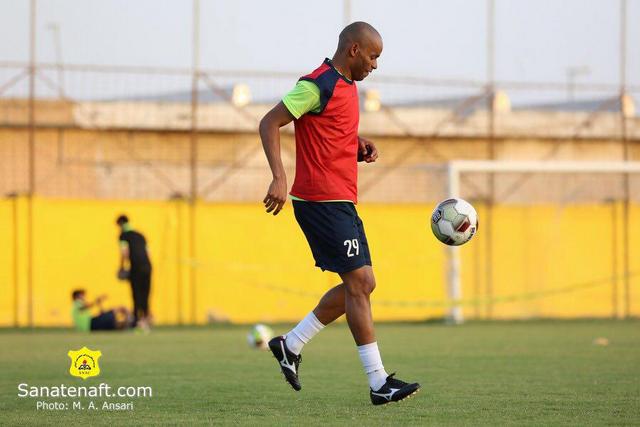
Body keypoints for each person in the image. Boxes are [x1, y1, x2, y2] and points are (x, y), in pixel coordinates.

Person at [259, 22, 420, 405]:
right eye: (373, 56)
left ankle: (291, 344)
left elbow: (328, 131)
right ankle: (379, 382)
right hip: (319, 202)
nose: (375, 65)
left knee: (361, 285)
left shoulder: (347, 89)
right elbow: (270, 122)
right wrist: (279, 177)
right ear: (353, 50)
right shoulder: (318, 83)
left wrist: (356, 145)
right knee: (361, 283)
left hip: (341, 201)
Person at [116, 214, 152, 330]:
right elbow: (148, 253)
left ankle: (137, 320)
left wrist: (122, 267)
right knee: (145, 294)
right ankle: (146, 320)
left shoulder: (123, 235)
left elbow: (124, 252)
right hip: (147, 266)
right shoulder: (141, 235)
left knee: (136, 294)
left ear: (120, 224)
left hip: (136, 267)